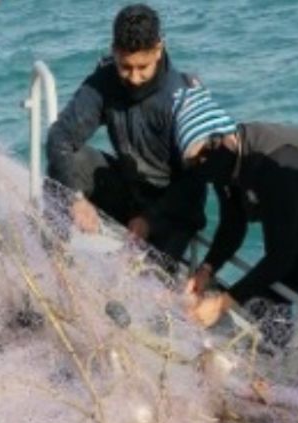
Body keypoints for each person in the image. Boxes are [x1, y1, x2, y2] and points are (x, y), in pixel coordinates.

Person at [175, 88, 298, 331]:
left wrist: (222, 303)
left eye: (201, 158)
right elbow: (232, 226)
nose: (199, 167)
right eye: (191, 163)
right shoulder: (222, 163)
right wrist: (206, 269)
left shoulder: (274, 163)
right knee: (264, 305)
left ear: (225, 139)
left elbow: (281, 256)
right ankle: (275, 359)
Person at [45, 3, 208, 263]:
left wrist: (150, 220)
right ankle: (50, 260)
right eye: (125, 67)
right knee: (69, 163)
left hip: (172, 209)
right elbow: (59, 138)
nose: (133, 77)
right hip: (129, 191)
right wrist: (76, 197)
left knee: (147, 282)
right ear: (114, 52)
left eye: (142, 67)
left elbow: (194, 182)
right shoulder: (106, 81)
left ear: (158, 50)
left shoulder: (183, 97)